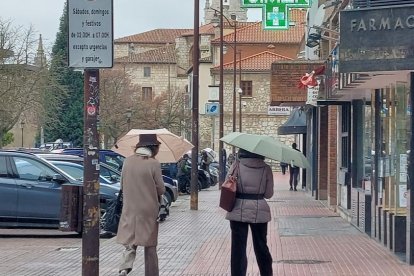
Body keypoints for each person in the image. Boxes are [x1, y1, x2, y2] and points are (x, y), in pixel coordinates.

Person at [116, 134, 166, 276]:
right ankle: (151, 273)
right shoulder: (153, 163)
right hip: (148, 209)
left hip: (130, 207)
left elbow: (122, 185)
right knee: (150, 245)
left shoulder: (127, 161)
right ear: (153, 148)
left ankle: (124, 268)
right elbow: (161, 189)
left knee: (130, 242)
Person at [225, 148, 274, 276]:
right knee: (261, 246)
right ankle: (266, 273)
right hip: (260, 211)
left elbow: (226, 185)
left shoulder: (236, 166)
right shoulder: (266, 169)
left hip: (237, 209)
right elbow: (269, 194)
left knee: (238, 248)